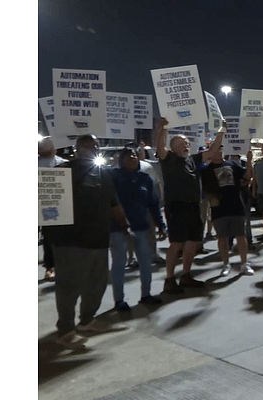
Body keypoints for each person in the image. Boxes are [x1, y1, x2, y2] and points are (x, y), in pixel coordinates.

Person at [43, 135, 129, 350]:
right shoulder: (59, 172)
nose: (94, 148)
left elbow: (114, 206)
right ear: (77, 148)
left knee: (97, 284)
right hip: (68, 241)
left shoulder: (103, 174)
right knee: (68, 287)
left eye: (96, 145)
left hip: (98, 240)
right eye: (90, 145)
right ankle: (65, 330)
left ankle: (87, 320)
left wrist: (125, 225)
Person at [156, 117, 224, 294]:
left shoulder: (193, 159)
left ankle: (186, 276)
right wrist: (163, 128)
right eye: (181, 143)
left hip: (193, 205)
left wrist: (222, 131)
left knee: (193, 241)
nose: (185, 145)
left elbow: (213, 150)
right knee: (176, 243)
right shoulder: (168, 158)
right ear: (173, 147)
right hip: (176, 206)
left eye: (186, 143)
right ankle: (170, 279)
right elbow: (160, 148)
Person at [109, 147, 167, 311]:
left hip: (141, 227)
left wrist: (160, 225)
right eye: (128, 156)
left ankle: (146, 295)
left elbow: (153, 204)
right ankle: (119, 300)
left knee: (145, 263)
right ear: (121, 160)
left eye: (134, 155)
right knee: (119, 264)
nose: (133, 157)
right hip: (118, 228)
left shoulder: (145, 179)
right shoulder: (114, 177)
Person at [201, 148, 255, 276]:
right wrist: (210, 199)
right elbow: (204, 189)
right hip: (219, 208)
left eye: (221, 151)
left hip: (236, 205)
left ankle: (244, 264)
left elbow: (248, 176)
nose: (219, 153)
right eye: (216, 151)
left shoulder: (233, 165)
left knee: (241, 236)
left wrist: (249, 161)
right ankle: (226, 264)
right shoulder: (206, 170)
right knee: (222, 238)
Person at [39, 136, 67, 281]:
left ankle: (52, 266)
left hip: (56, 206)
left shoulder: (63, 164)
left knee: (51, 238)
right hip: (39, 205)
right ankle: (50, 266)